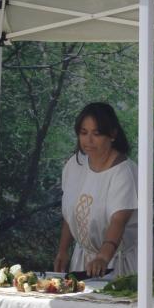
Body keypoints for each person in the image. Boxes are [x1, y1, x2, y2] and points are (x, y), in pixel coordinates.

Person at [53, 102, 136, 277]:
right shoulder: (74, 165)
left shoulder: (124, 172)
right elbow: (72, 212)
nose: (88, 140)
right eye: (84, 133)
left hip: (118, 264)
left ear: (112, 134)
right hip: (83, 260)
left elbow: (118, 221)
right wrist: (63, 250)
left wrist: (102, 258)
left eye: (96, 134)